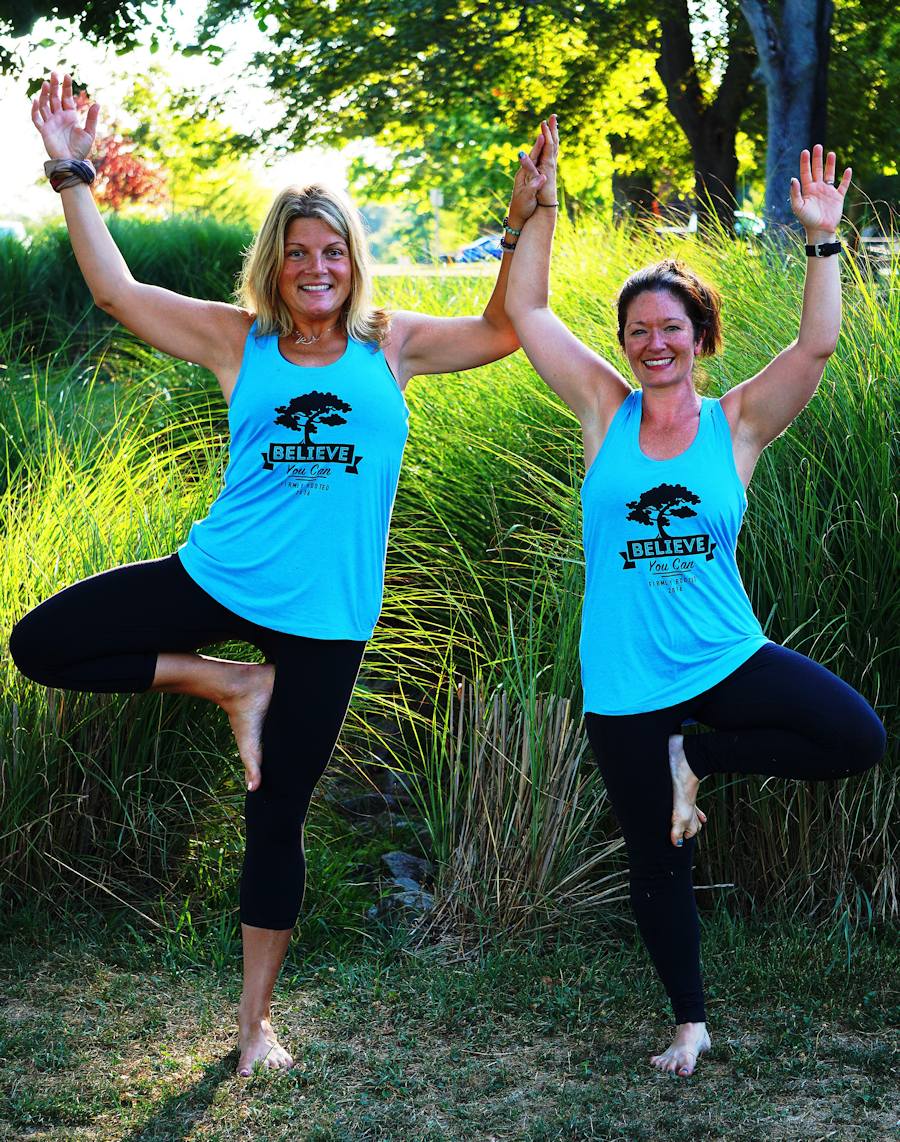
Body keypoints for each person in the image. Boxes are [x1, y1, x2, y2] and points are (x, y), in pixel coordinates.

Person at [11, 72, 543, 1077]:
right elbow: (117, 292)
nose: (315, 266)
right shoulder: (238, 338)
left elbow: (506, 328)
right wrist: (71, 169)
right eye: (298, 251)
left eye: (332, 250)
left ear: (353, 262)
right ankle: (229, 682)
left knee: (275, 818)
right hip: (219, 575)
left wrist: (523, 223)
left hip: (328, 618)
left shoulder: (393, 344)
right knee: (41, 643)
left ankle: (255, 1027)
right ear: (274, 261)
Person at [503, 117, 886, 1077]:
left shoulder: (737, 422)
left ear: (699, 335)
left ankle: (697, 757)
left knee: (856, 737)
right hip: (626, 677)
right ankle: (690, 1024)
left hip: (723, 655)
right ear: (625, 344)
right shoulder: (604, 410)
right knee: (657, 856)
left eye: (671, 327)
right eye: (638, 331)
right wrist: (540, 210)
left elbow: (817, 346)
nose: (653, 343)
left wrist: (822, 237)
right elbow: (530, 311)